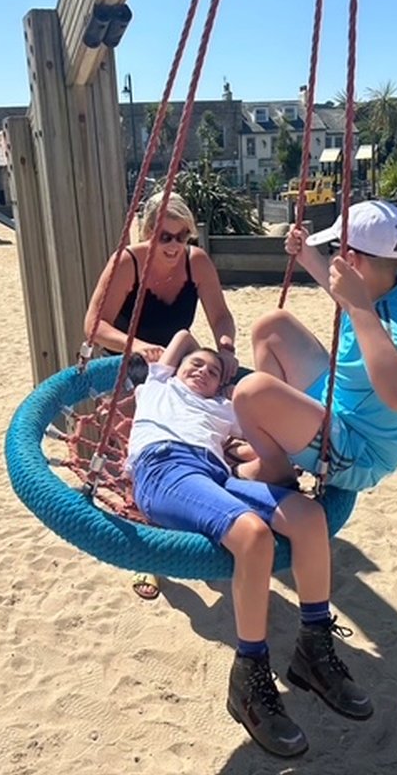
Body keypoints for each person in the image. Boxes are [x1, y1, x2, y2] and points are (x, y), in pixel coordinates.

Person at [128, 329, 373, 758]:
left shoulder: (225, 409)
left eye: (211, 371)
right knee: (253, 536)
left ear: (223, 385)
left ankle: (313, 650)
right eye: (194, 365)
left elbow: (269, 431)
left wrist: (245, 444)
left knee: (309, 517)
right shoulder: (157, 387)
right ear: (176, 369)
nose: (201, 370)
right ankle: (249, 676)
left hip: (216, 475)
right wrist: (219, 353)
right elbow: (183, 336)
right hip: (164, 468)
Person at [84, 190, 239, 600]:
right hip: (128, 362)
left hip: (173, 363)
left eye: (182, 235)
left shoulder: (196, 262)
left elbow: (219, 314)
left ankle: (199, 525)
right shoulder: (127, 263)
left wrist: (225, 346)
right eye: (165, 237)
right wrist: (134, 344)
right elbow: (94, 325)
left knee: (192, 440)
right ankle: (148, 558)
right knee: (136, 459)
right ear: (148, 233)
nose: (174, 245)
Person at [232, 199, 397, 492]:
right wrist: (308, 256)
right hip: (342, 404)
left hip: (357, 449)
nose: (329, 260)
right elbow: (347, 294)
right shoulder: (385, 287)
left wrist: (359, 307)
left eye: (332, 252)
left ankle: (275, 467)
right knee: (272, 327)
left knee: (250, 391)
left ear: (350, 261)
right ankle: (275, 444)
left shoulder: (387, 318)